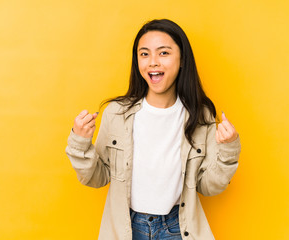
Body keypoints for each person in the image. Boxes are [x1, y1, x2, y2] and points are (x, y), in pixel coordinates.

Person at [65, 19, 241, 240]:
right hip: (128, 228)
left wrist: (228, 150)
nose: (153, 62)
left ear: (182, 60)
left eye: (164, 53)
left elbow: (208, 186)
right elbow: (97, 177)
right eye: (144, 54)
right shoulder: (116, 114)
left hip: (178, 228)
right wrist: (80, 142)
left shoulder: (200, 116)